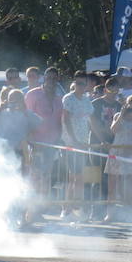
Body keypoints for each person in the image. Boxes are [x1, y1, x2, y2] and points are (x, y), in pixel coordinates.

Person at [104, 95, 132, 222]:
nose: (131, 107)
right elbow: (113, 130)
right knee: (112, 186)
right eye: (129, 104)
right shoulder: (118, 116)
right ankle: (110, 213)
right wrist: (121, 114)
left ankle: (127, 213)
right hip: (117, 152)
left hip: (131, 154)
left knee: (129, 187)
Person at [24, 67, 64, 197]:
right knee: (35, 175)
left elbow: (60, 121)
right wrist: (30, 140)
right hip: (35, 144)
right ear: (44, 78)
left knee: (47, 174)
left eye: (54, 78)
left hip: (52, 144)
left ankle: (43, 203)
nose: (51, 80)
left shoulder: (60, 98)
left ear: (57, 79)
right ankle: (32, 204)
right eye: (48, 77)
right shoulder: (32, 94)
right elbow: (26, 117)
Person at [0, 89, 41, 174]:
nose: (13, 101)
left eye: (17, 99)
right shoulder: (1, 112)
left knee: (19, 178)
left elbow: (38, 122)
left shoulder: (25, 113)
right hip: (1, 151)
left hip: (19, 151)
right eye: (11, 99)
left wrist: (25, 111)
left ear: (22, 100)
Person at [61, 71, 93, 216]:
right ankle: (67, 209)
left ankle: (74, 208)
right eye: (78, 83)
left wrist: (101, 137)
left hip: (83, 143)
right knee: (74, 176)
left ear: (86, 85)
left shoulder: (87, 100)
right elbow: (66, 119)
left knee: (78, 177)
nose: (80, 86)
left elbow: (91, 120)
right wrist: (73, 139)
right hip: (70, 143)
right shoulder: (68, 98)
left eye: (83, 84)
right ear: (74, 83)